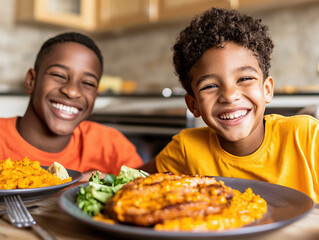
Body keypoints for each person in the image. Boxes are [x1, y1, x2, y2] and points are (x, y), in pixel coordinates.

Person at [141, 7, 319, 202]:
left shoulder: (307, 138)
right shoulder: (185, 149)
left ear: (267, 89)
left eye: (244, 78)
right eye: (209, 86)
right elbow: (130, 183)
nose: (229, 96)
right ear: (193, 105)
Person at [0, 32, 143, 181]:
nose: (72, 91)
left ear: (95, 96)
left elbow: (146, 185)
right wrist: (70, 188)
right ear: (31, 81)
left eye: (88, 83)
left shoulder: (110, 144)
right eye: (59, 75)